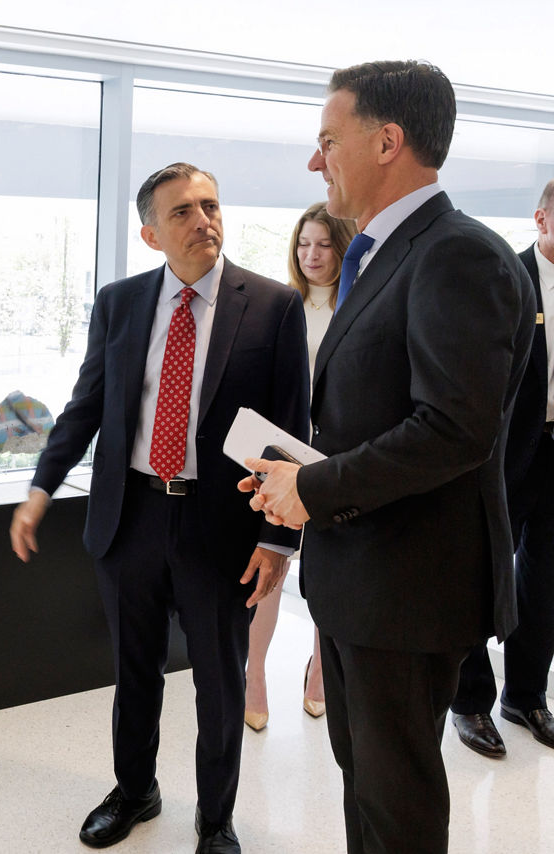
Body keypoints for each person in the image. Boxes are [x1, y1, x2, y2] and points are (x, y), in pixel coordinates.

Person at [243, 60, 534, 854]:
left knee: (396, 802)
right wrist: (292, 478)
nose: (316, 161)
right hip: (360, 577)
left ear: (386, 143)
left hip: (409, 587)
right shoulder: (380, 253)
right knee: (366, 784)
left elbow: (454, 428)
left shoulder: (457, 254)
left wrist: (315, 487)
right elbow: (374, 412)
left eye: (328, 141)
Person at [11, 163, 310, 853]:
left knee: (220, 683)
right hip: (131, 519)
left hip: (221, 525)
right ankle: (135, 790)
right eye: (182, 212)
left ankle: (216, 819)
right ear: (150, 234)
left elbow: (292, 429)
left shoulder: (273, 306)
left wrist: (278, 540)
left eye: (210, 205)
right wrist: (40, 488)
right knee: (135, 671)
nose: (203, 220)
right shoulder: (119, 303)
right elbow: (86, 405)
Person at [243, 202, 356, 731]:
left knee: (328, 572)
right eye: (304, 243)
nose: (312, 254)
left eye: (324, 244)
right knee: (273, 562)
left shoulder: (358, 305)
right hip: (283, 454)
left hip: (336, 459)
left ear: (344, 247)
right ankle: (255, 674)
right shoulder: (280, 305)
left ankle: (320, 672)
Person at [452, 179, 554, 758]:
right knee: (480, 573)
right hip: (504, 451)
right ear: (541, 219)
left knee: (545, 581)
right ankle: (469, 702)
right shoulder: (507, 277)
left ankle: (526, 696)